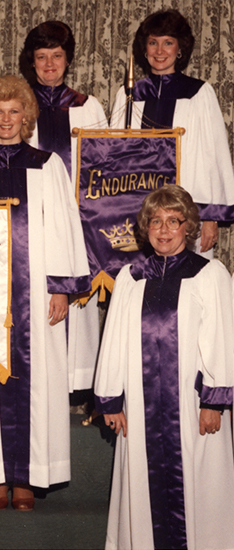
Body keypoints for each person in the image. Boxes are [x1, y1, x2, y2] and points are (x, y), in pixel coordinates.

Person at [0, 75, 90, 511]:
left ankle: (27, 476)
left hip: (35, 292)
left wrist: (61, 288)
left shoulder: (47, 164)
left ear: (26, 117)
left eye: (15, 112)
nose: (7, 120)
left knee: (36, 382)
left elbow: (65, 226)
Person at [95, 185, 234, 549]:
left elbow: (221, 340)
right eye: (155, 221)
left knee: (198, 488)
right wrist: (111, 400)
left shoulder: (209, 274)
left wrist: (213, 401)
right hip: (140, 409)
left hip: (191, 409)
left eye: (174, 221)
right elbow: (113, 339)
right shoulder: (130, 277)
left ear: (188, 227)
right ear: (145, 227)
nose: (164, 229)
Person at [20, 21, 109, 397]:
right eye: (42, 57)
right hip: (35, 228)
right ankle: (43, 384)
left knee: (81, 311)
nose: (50, 64)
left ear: (68, 59)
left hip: (82, 222)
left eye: (57, 56)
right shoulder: (19, 109)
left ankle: (78, 389)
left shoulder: (88, 107)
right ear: (32, 62)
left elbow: (108, 171)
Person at [110, 9, 234, 257]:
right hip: (137, 213)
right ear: (144, 48)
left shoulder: (198, 93)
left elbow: (213, 155)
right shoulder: (129, 94)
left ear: (180, 49)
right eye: (153, 43)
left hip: (188, 213)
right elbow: (113, 156)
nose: (159, 51)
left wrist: (210, 217)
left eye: (168, 43)